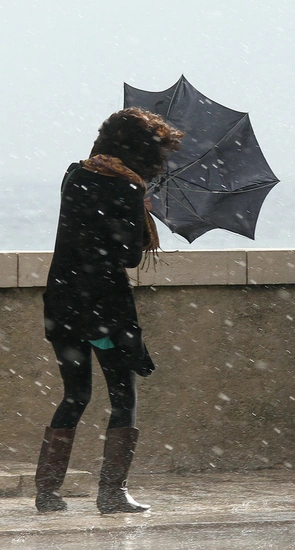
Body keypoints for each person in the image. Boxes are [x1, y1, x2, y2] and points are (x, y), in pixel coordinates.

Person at [36, 108, 183, 513]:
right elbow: (129, 256)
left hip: (63, 301)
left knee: (75, 394)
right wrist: (140, 213)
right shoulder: (128, 191)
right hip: (102, 309)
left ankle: (47, 492)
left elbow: (80, 234)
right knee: (123, 396)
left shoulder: (74, 175)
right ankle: (112, 492)